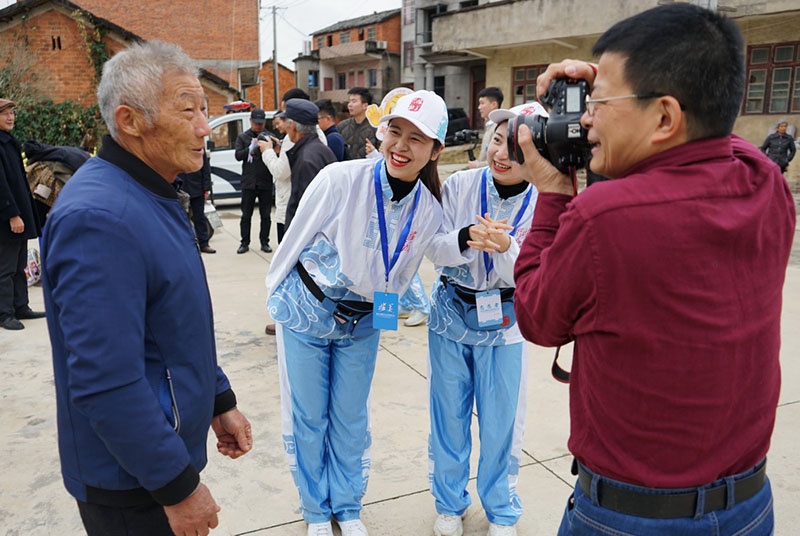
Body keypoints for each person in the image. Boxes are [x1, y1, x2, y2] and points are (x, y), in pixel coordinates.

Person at [510, 4, 795, 536]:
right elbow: (715, 131)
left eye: (598, 103)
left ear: (664, 117)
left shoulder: (603, 218)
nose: (586, 118)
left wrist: (551, 196)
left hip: (632, 518)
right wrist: (621, 79)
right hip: (749, 506)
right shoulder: (766, 183)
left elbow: (537, 318)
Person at [40, 41, 253, 536]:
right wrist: (177, 488)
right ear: (131, 121)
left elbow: (175, 325)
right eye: (188, 110)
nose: (205, 127)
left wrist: (219, 400)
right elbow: (104, 380)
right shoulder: (100, 218)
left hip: (158, 454)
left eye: (205, 109)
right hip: (130, 482)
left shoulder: (151, 191)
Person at [265, 90, 449, 536]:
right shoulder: (340, 178)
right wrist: (274, 295)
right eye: (395, 132)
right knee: (309, 417)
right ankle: (314, 511)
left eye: (417, 139)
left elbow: (402, 274)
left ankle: (347, 507)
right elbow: (294, 240)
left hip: (363, 323)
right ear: (382, 131)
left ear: (436, 150)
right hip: (306, 313)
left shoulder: (428, 209)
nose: (401, 146)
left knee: (350, 417)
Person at [427, 103, 545, 536]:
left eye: (515, 147)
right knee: (448, 415)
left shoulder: (543, 202)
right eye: (497, 140)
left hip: (507, 321)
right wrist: (464, 237)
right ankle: (449, 503)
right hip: (450, 316)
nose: (502, 154)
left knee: (501, 421)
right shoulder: (459, 184)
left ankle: (500, 509)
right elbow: (432, 246)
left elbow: (540, 271)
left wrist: (505, 248)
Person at [260, 88, 328, 246]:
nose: (285, 122)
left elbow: (280, 172)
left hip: (296, 219)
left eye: (286, 115)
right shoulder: (317, 138)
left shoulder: (298, 144)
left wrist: (267, 151)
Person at [0, 98, 45, 331]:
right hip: (7, 217)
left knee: (19, 266)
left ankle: (21, 306)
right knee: (5, 268)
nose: (10, 117)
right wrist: (12, 214)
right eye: (5, 113)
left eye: (12, 113)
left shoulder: (10, 142)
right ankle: (4, 313)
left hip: (17, 214)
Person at [235, 107, 274, 254]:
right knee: (246, 215)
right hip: (248, 182)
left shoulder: (269, 137)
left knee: (266, 215)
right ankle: (244, 242)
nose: (258, 126)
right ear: (250, 121)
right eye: (256, 123)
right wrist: (251, 147)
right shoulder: (242, 137)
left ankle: (265, 242)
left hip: (265, 181)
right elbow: (238, 155)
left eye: (261, 123)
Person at [178, 147, 215, 253]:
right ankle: (185, 245)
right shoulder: (175, 144)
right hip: (180, 189)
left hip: (197, 187)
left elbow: (205, 168)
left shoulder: (197, 146)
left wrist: (206, 187)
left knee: (199, 217)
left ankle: (204, 244)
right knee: (181, 219)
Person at [339, 87, 380, 160]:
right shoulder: (342, 126)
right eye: (349, 101)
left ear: (365, 105)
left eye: (354, 101)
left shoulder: (376, 127)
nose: (349, 105)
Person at [468, 87, 503, 169]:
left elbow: (500, 160)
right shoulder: (490, 126)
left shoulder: (498, 128)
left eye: (482, 103)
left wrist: (478, 165)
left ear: (494, 104)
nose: (479, 107)